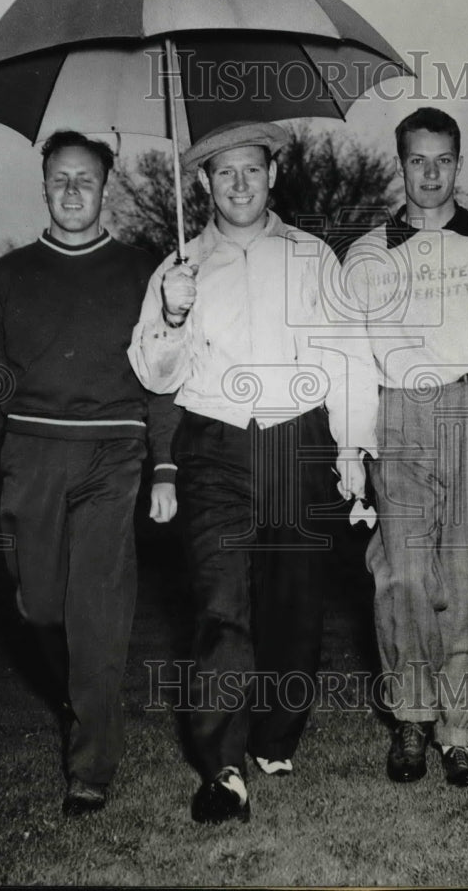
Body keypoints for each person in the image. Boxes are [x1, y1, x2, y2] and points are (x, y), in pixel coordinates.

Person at [128, 120, 378, 824]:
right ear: (203, 183)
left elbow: (349, 358)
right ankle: (223, 769)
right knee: (220, 607)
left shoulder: (310, 257)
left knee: (294, 608)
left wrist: (352, 450)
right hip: (217, 444)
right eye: (224, 173)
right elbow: (154, 371)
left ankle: (275, 735)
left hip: (297, 440)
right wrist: (172, 317)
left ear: (272, 176)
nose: (239, 184)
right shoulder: (179, 266)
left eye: (252, 171)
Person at [0, 130, 178, 816]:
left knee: (96, 616)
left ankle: (91, 766)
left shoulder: (146, 273)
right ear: (43, 185)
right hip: (31, 458)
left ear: (107, 186)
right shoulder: (9, 277)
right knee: (43, 608)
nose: (73, 190)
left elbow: (166, 377)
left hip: (114, 453)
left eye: (86, 178)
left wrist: (164, 465)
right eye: (60, 179)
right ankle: (81, 693)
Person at [345, 107, 468, 787]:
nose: (429, 174)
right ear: (399, 164)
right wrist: (353, 443)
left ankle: (460, 733)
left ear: (458, 164)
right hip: (396, 411)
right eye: (416, 161)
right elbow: (349, 357)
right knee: (398, 572)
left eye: (443, 160)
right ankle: (411, 716)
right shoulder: (367, 254)